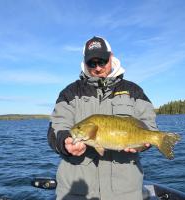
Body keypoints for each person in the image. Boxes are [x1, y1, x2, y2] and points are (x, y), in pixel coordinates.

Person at [47, 36, 158, 200]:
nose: (98, 68)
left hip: (125, 193)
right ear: (85, 63)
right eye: (92, 63)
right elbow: (56, 128)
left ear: (111, 58)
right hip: (76, 193)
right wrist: (65, 142)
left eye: (102, 61)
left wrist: (144, 144)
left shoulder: (134, 91)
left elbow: (149, 125)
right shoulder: (69, 93)